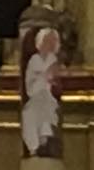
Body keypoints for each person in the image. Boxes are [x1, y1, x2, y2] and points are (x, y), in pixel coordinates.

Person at [22, 26, 63, 159]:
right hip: (35, 94)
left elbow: (56, 79)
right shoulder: (34, 59)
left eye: (52, 41)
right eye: (46, 41)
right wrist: (43, 77)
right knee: (30, 113)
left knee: (46, 109)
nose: (49, 45)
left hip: (50, 97)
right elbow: (30, 80)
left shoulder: (54, 60)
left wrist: (51, 79)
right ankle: (34, 147)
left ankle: (45, 141)